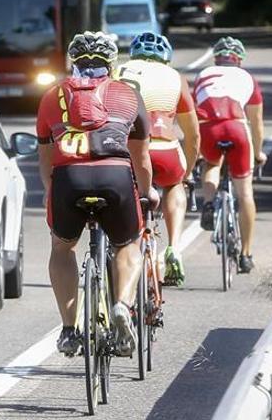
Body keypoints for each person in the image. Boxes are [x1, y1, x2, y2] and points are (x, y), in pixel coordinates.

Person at [36, 31, 159, 357]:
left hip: (69, 179)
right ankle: (122, 305)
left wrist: (52, 193)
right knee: (128, 244)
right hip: (115, 177)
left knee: (62, 248)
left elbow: (46, 161)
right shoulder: (128, 93)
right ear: (112, 63)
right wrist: (148, 193)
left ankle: (68, 330)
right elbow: (141, 158)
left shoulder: (52, 95)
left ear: (72, 62)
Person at [115, 32, 200, 286]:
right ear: (166, 58)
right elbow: (193, 134)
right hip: (164, 149)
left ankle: (121, 248)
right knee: (175, 184)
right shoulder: (176, 78)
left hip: (127, 150)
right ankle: (174, 246)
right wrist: (188, 172)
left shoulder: (118, 71)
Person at [193, 37, 265, 273]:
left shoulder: (203, 74)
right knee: (245, 193)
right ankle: (246, 254)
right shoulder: (247, 78)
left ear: (216, 59)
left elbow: (194, 113)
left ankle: (209, 202)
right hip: (236, 126)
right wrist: (259, 152)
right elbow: (256, 123)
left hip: (209, 127)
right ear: (239, 60)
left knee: (211, 163)